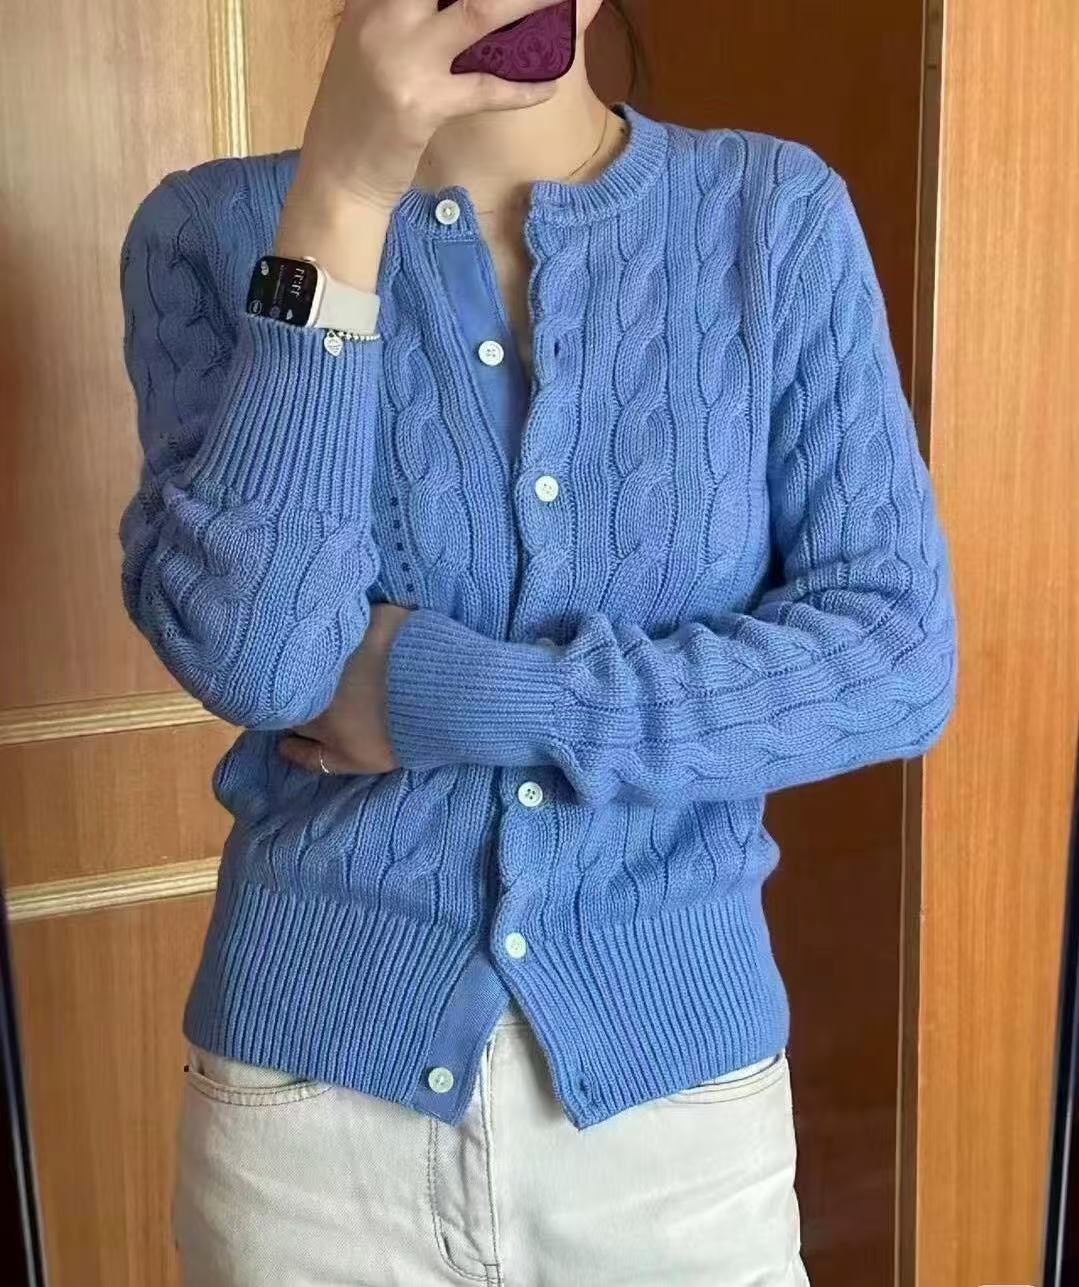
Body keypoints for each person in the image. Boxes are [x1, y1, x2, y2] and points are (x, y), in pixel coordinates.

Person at [117, 0, 958, 1282]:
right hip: (312, 1136)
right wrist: (341, 195)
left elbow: (895, 659)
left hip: (674, 1127)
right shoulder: (210, 232)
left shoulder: (769, 217)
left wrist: (471, 696)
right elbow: (260, 662)